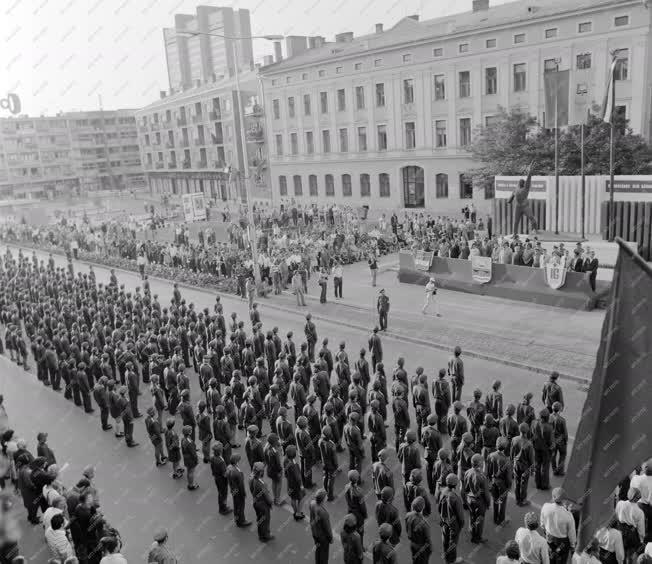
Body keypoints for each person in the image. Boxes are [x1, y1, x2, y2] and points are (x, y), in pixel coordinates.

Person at [540, 488, 576, 564]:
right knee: (561, 559)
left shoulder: (545, 507)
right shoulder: (568, 515)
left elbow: (542, 524)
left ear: (553, 497)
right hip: (562, 542)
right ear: (564, 500)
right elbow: (571, 533)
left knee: (551, 556)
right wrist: (573, 545)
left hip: (549, 537)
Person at [462, 453, 491, 544]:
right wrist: (488, 503)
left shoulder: (467, 472)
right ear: (479, 463)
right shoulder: (481, 476)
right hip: (479, 502)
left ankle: (471, 530)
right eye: (481, 461)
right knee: (480, 520)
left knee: (472, 516)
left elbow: (465, 487)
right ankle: (477, 537)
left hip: (469, 499)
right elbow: (486, 493)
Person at [438, 473, 465, 564]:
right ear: (455, 484)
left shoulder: (442, 491)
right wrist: (461, 525)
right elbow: (460, 516)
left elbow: (439, 507)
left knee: (445, 539)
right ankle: (452, 560)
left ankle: (446, 557)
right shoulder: (455, 498)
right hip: (453, 525)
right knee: (453, 543)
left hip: (444, 521)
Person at [615, 488, 645, 562]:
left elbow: (616, 515)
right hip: (631, 535)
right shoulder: (639, 512)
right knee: (630, 556)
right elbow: (641, 530)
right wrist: (641, 540)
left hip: (619, 530)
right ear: (638, 498)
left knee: (620, 555)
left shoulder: (620, 503)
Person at [249, 461, 274, 542]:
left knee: (260, 520)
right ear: (260, 472)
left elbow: (251, 489)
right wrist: (271, 503)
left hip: (256, 502)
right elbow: (267, 497)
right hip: (262, 505)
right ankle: (266, 536)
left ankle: (261, 535)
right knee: (265, 520)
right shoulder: (261, 484)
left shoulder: (251, 478)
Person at [225, 454, 251, 528]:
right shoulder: (237, 472)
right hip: (239, 492)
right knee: (241, 506)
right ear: (236, 462)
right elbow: (241, 485)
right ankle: (241, 521)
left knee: (236, 505)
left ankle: (237, 519)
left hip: (233, 490)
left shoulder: (229, 467)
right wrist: (244, 494)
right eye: (238, 460)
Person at [405, 496, 431, 564]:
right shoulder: (424, 523)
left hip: (412, 544)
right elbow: (427, 540)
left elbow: (407, 528)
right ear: (423, 507)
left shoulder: (408, 515)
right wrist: (429, 550)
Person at [310, 489, 333, 564]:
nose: (327, 497)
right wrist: (330, 538)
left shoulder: (312, 504)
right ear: (323, 499)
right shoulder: (323, 513)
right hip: (323, 537)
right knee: (324, 555)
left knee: (318, 550)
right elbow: (327, 528)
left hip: (315, 533)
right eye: (326, 496)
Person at [210, 442, 232, 515]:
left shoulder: (213, 457)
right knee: (223, 494)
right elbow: (225, 474)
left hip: (217, 478)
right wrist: (229, 470)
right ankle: (223, 509)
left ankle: (221, 507)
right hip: (222, 480)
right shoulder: (221, 461)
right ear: (220, 451)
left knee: (220, 494)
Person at [181, 425, 199, 490]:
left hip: (186, 458)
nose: (192, 431)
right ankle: (191, 485)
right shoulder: (190, 442)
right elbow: (193, 453)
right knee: (191, 472)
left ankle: (189, 483)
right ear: (189, 432)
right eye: (191, 430)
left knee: (189, 471)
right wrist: (196, 460)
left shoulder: (183, 439)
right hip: (190, 459)